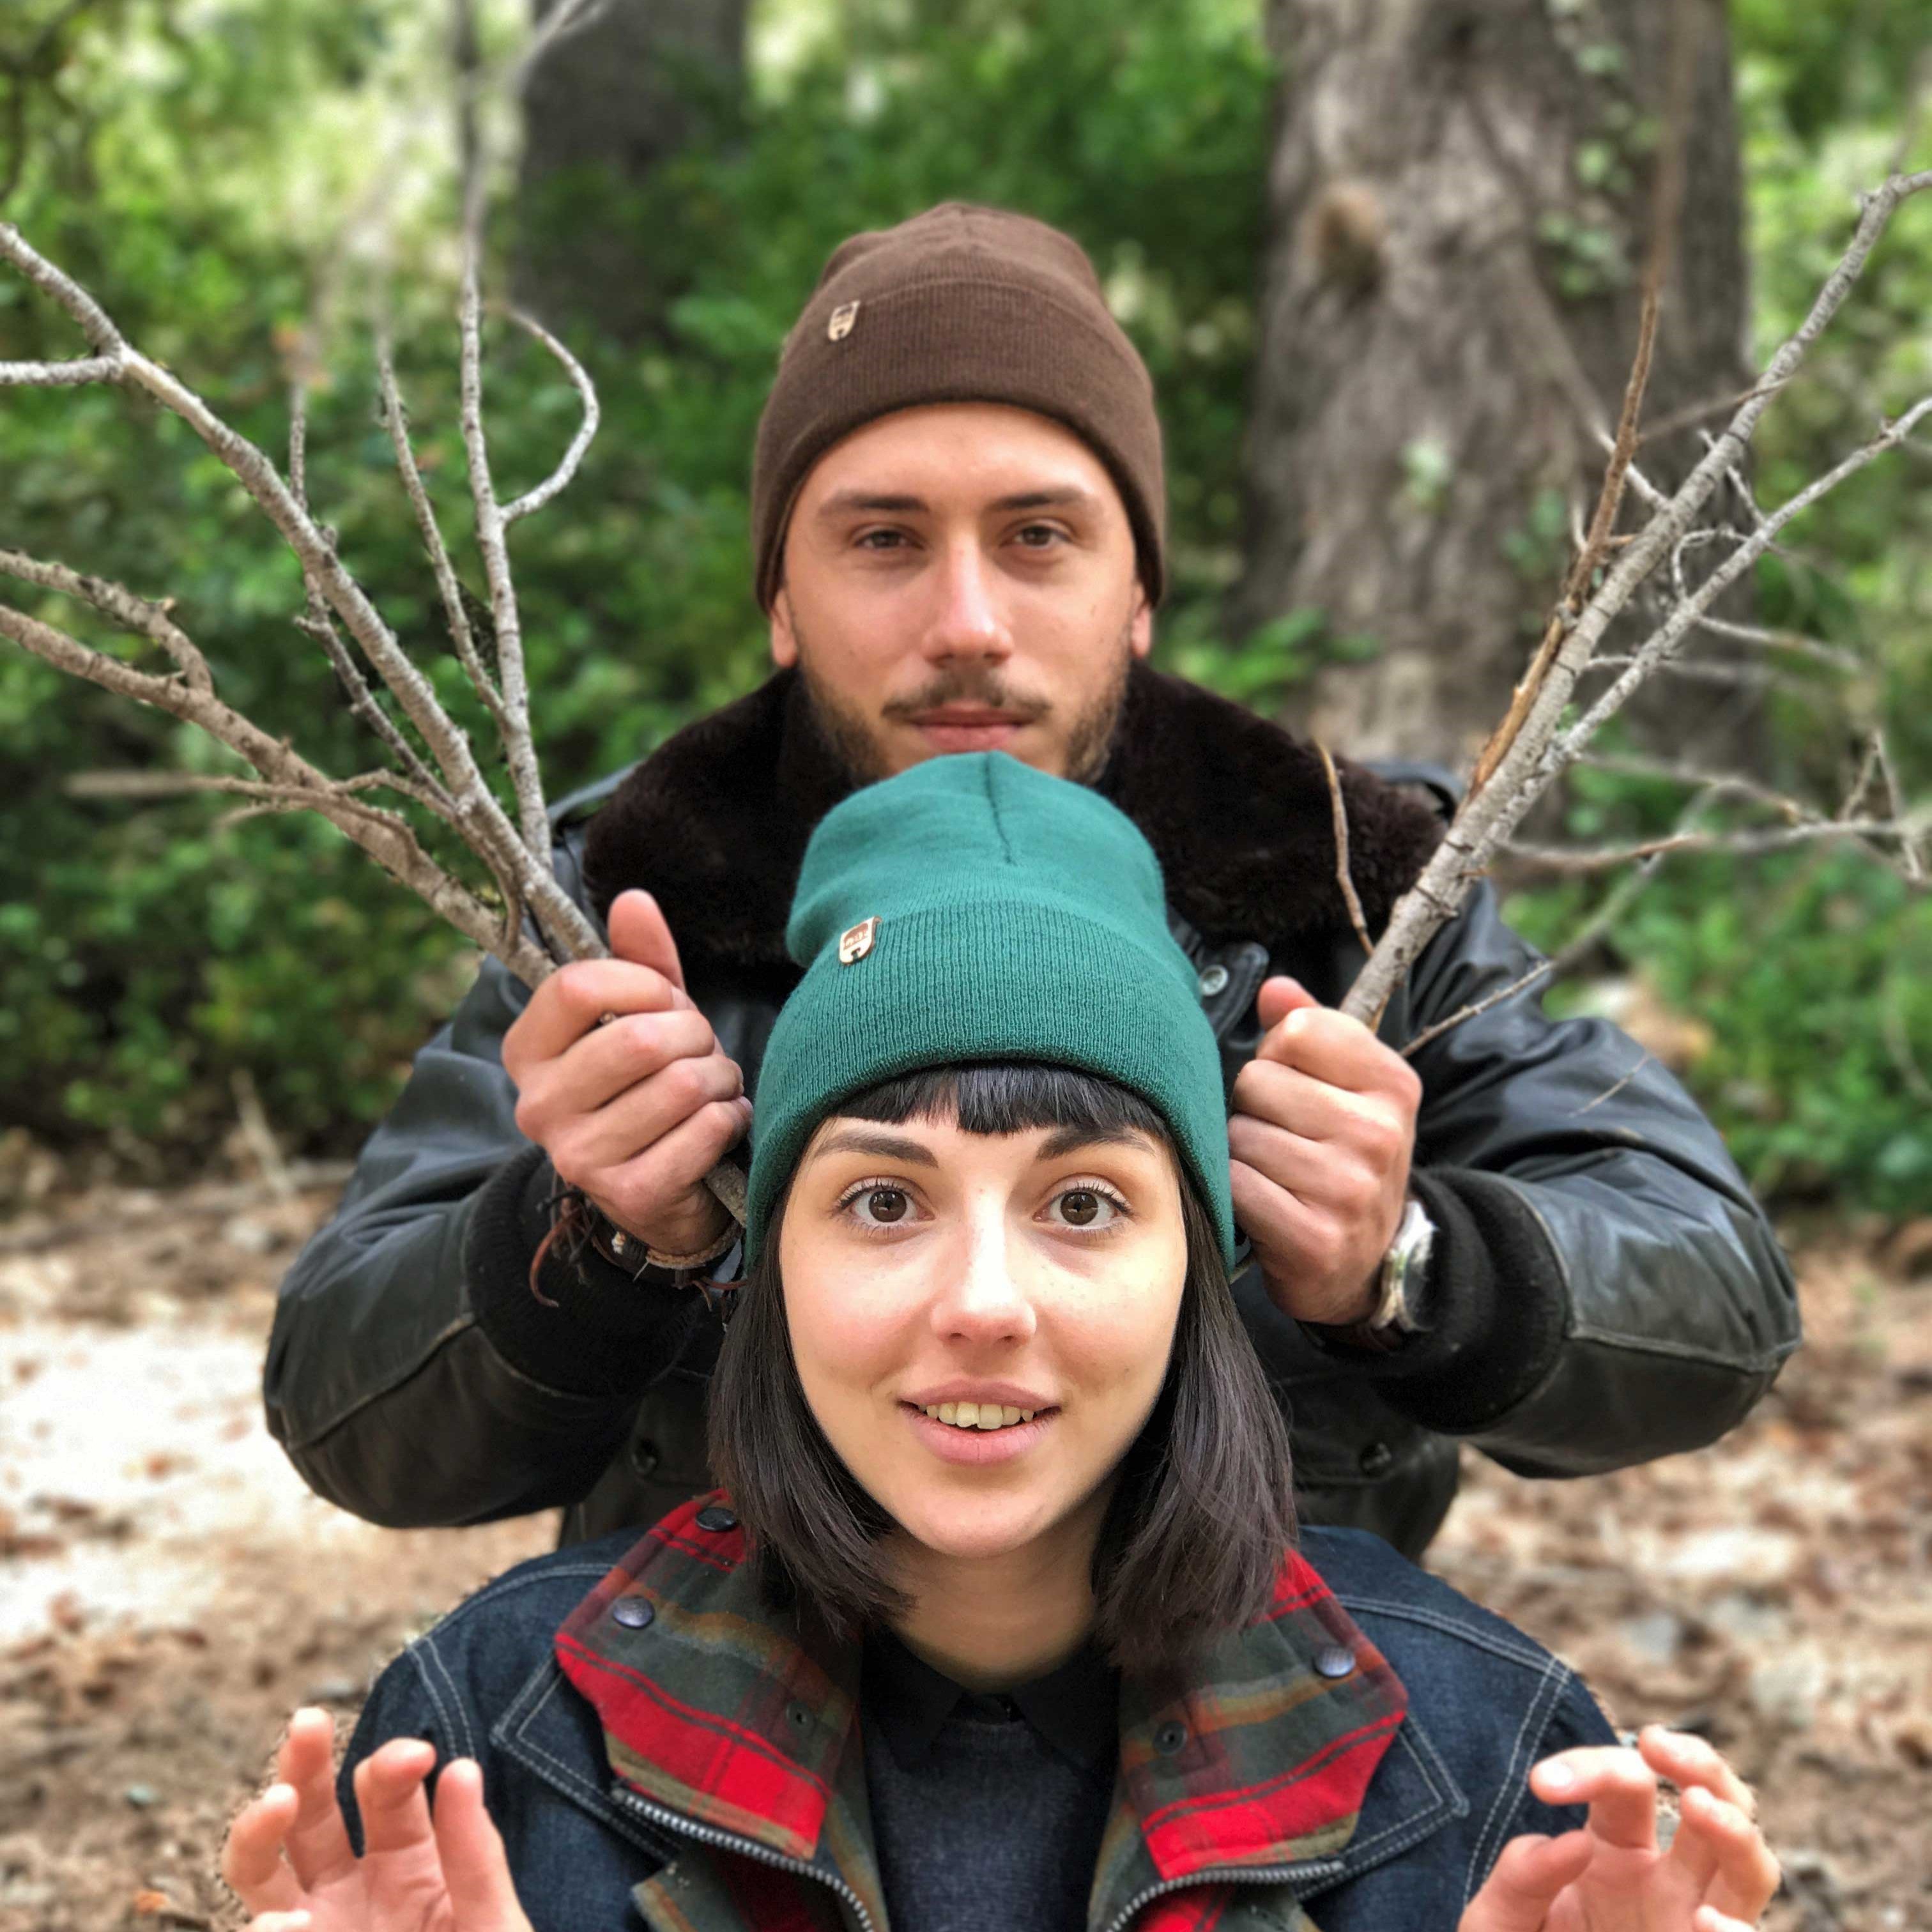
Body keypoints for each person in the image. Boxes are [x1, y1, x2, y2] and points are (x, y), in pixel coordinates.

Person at [264, 201, 1798, 1561]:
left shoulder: (1353, 885)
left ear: (1137, 592)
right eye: (883, 540)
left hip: (1272, 1750)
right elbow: (348, 1408)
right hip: (711, 1752)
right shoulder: (626, 902)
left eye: (1040, 536)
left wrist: (1406, 1262)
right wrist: (585, 1235)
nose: (970, 621)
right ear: (781, 601)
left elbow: (1716, 1304)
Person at [226, 759, 1779, 1932]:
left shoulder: (1492, 1767)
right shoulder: (490, 1749)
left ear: (1206, 1272)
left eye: (1086, 1202)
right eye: (885, 1199)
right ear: (765, 1270)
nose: (984, 1303)